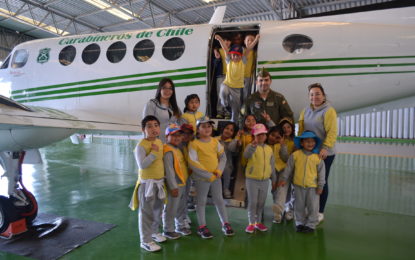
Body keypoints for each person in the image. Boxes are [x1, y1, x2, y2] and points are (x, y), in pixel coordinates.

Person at [188, 116, 235, 238]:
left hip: (215, 177)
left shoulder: (215, 141)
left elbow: (223, 157)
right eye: (203, 126)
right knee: (201, 201)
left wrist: (219, 171)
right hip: (202, 178)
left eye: (209, 126)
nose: (207, 128)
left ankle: (225, 223)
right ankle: (202, 226)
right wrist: (207, 175)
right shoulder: (194, 143)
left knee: (219, 200)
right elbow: (193, 162)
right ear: (198, 129)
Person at [298, 83, 338, 223]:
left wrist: (325, 148)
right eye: (312, 94)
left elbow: (332, 131)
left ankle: (320, 211)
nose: (315, 97)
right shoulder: (305, 110)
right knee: (310, 181)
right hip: (310, 151)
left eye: (317, 94)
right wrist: (300, 146)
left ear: (323, 95)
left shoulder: (329, 111)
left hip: (324, 153)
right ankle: (311, 208)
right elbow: (301, 130)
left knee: (322, 181)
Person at [129, 115, 166, 252]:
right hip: (147, 185)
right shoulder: (141, 145)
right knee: (146, 213)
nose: (153, 128)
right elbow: (142, 165)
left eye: (156, 125)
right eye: (149, 126)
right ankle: (145, 240)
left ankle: (154, 233)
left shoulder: (160, 142)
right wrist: (153, 153)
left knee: (158, 210)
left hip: (159, 183)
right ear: (143, 129)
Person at [278, 131, 325, 233]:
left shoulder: (317, 158)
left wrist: (320, 186)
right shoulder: (295, 155)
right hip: (298, 186)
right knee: (298, 206)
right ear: (302, 143)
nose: (310, 143)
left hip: (313, 187)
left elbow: (321, 173)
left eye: (312, 141)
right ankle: (300, 223)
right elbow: (288, 168)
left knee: (313, 207)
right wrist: (284, 179)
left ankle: (311, 225)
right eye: (307, 141)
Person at [215, 34, 258, 123]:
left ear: (241, 56)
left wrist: (256, 39)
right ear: (231, 56)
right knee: (223, 92)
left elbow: (249, 49)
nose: (235, 57)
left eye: (238, 55)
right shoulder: (229, 61)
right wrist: (220, 39)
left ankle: (234, 122)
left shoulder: (243, 62)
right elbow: (225, 49)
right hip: (227, 84)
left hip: (236, 89)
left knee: (236, 107)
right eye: (233, 55)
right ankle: (225, 105)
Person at [243, 123, 276, 233]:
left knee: (261, 202)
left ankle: (258, 222)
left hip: (265, 180)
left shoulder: (269, 149)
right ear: (254, 136)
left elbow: (272, 165)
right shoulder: (251, 146)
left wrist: (273, 179)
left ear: (266, 135)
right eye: (258, 135)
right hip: (252, 179)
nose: (261, 137)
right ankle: (251, 222)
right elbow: (246, 155)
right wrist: (252, 146)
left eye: (263, 134)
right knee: (253, 202)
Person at [162, 124, 190, 239]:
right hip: (174, 185)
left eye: (179, 135)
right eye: (173, 135)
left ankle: (180, 226)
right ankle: (168, 229)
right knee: (171, 208)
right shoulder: (168, 150)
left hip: (182, 183)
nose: (177, 138)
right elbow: (169, 171)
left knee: (180, 206)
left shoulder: (177, 149)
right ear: (167, 136)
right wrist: (173, 187)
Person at [143, 78, 182, 143]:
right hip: (156, 145)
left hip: (172, 144)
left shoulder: (175, 107)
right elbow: (147, 126)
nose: (167, 91)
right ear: (160, 89)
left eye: (170, 88)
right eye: (164, 88)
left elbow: (181, 124)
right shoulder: (151, 104)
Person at [266, 125, 290, 223]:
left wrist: (283, 145)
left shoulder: (281, 145)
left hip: (283, 169)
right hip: (272, 170)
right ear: (268, 134)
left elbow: (286, 159)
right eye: (272, 135)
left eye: (277, 137)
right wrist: (273, 180)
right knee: (275, 189)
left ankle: (278, 210)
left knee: (282, 187)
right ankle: (278, 213)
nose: (274, 138)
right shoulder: (265, 147)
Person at [216, 121, 239, 198]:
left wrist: (236, 140)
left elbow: (233, 151)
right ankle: (213, 189)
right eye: (227, 128)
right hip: (214, 163)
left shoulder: (232, 142)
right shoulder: (214, 139)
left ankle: (225, 189)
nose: (228, 131)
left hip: (227, 164)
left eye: (231, 130)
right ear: (223, 128)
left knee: (226, 170)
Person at [243, 34, 260, 101]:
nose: (250, 42)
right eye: (248, 40)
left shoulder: (255, 52)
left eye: (252, 40)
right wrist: (256, 39)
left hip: (249, 76)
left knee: (246, 93)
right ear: (244, 41)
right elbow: (248, 49)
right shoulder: (243, 50)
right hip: (240, 76)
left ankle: (245, 108)